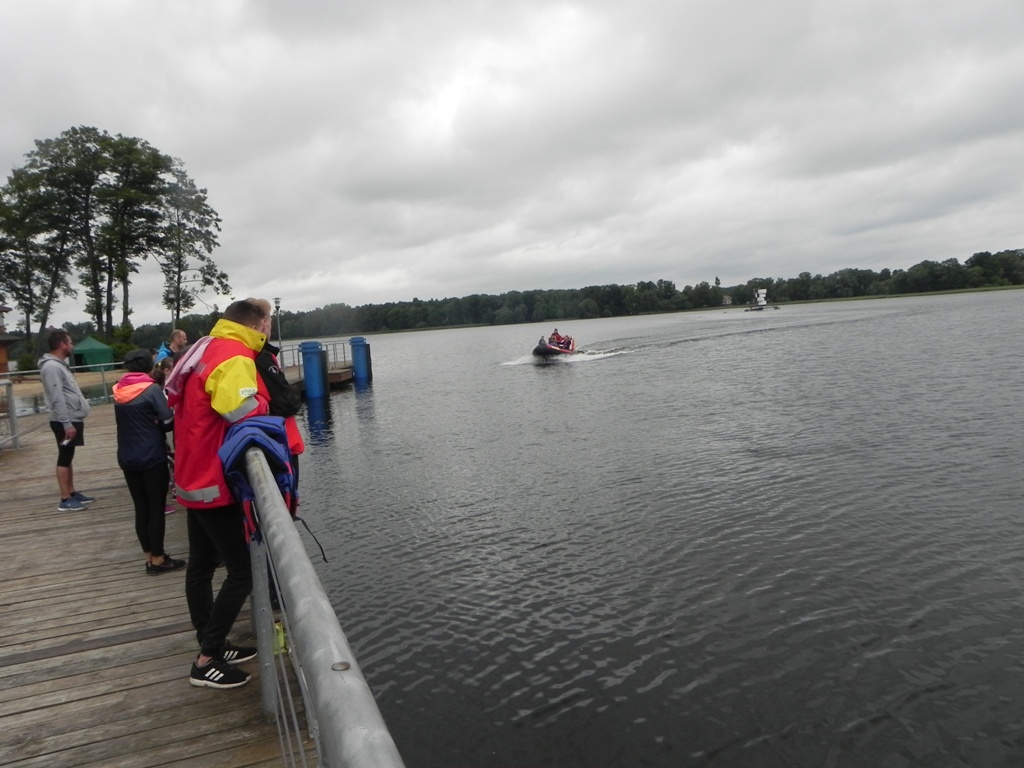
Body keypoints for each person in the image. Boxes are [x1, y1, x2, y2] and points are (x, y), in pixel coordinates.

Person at [170, 299, 270, 689]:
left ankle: (211, 641)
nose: (268, 329)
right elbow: (240, 411)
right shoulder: (234, 355)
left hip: (190, 472)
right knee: (241, 572)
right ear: (258, 325)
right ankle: (207, 659)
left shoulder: (205, 347)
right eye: (268, 322)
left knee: (200, 565)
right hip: (212, 478)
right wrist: (265, 402)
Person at [113, 349, 184, 575]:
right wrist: (157, 422)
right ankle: (159, 559)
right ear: (149, 367)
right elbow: (168, 419)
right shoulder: (151, 389)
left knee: (141, 508)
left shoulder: (118, 389)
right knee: (156, 507)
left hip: (127, 455)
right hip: (151, 455)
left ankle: (149, 557)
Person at [38, 330, 95, 511]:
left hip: (71, 417)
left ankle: (71, 492)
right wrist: (66, 423)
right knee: (64, 457)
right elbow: (57, 398)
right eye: (69, 342)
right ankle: (65, 499)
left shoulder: (59, 365)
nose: (72, 345)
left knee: (68, 455)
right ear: (62, 345)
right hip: (65, 419)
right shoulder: (52, 367)